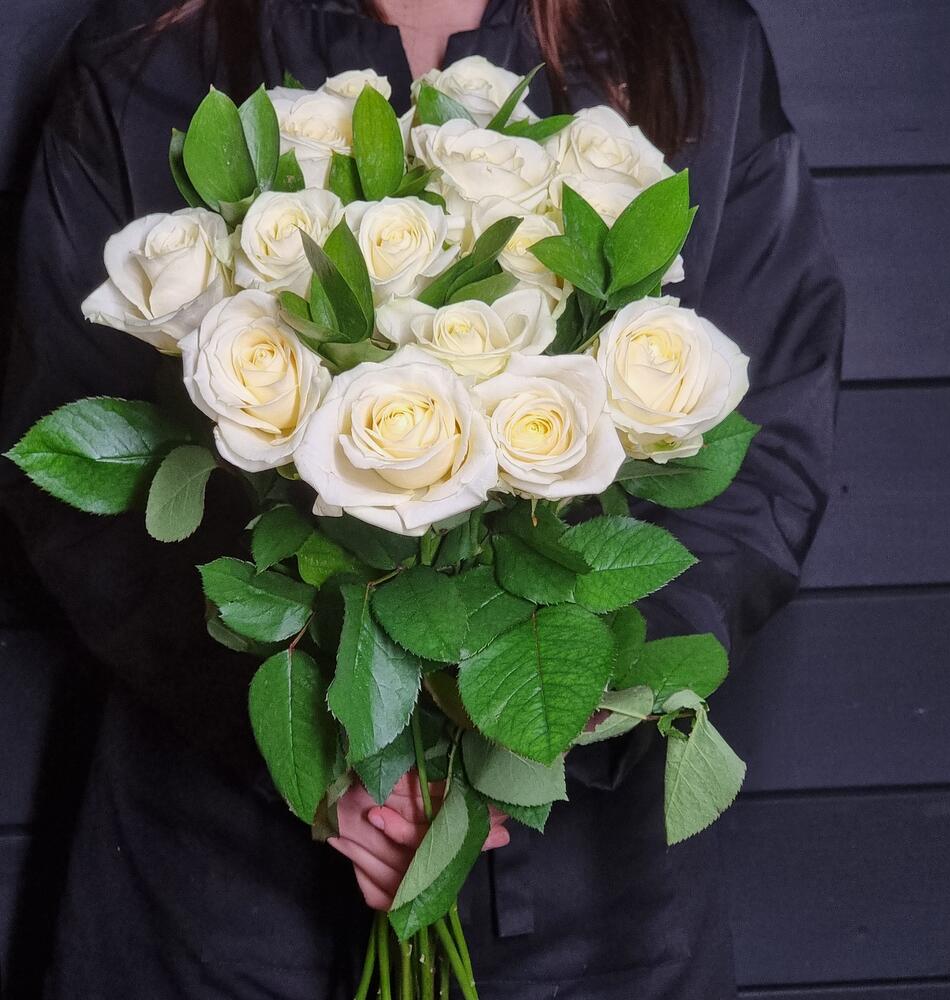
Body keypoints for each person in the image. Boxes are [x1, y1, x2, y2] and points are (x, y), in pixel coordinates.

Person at [0, 0, 845, 996]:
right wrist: (320, 749)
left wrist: (545, 723)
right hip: (220, 893)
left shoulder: (691, 43)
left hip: (590, 905)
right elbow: (80, 471)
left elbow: (766, 447)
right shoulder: (151, 55)